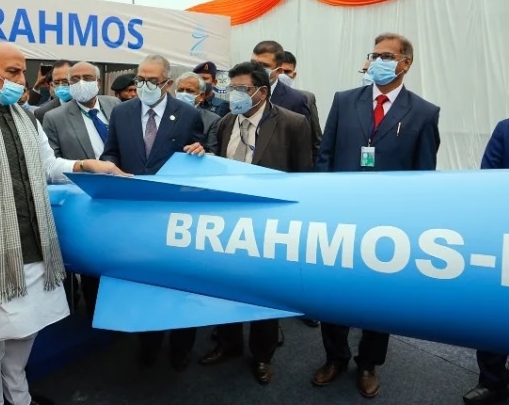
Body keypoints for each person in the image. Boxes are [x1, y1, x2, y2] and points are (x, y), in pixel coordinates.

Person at [0, 41, 125, 405]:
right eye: (13, 72)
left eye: (23, 72)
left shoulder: (25, 117)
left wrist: (85, 165)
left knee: (25, 335)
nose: (22, 81)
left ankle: (19, 396)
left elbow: (48, 166)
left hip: (33, 246)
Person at [312, 33, 440, 398]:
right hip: (339, 219)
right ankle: (335, 357)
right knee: (333, 292)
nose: (377, 61)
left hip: (388, 225)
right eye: (374, 54)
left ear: (405, 63)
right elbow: (325, 155)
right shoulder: (344, 100)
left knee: (378, 297)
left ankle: (368, 363)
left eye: (386, 56)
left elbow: (423, 176)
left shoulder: (424, 112)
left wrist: (412, 225)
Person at [200, 61, 311, 385]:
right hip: (228, 224)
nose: (235, 95)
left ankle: (262, 356)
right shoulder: (226, 122)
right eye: (231, 88)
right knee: (226, 288)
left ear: (262, 91)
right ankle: (228, 344)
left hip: (269, 225)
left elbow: (303, 177)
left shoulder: (292, 123)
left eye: (242, 89)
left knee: (265, 293)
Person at [101, 54, 205, 370]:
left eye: (152, 81)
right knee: (144, 285)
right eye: (140, 79)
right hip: (136, 216)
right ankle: (148, 345)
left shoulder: (188, 114)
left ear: (167, 83)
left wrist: (201, 151)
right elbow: (111, 152)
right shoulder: (121, 113)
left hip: (176, 218)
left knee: (182, 285)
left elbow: (201, 157)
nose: (145, 85)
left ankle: (181, 349)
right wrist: (109, 168)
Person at [41, 61, 120, 318]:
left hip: (123, 197)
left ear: (98, 82)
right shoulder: (54, 117)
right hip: (88, 201)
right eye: (74, 79)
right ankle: (95, 315)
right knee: (93, 265)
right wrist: (86, 168)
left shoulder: (115, 106)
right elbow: (51, 165)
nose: (80, 83)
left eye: (86, 77)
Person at [462, 120, 509, 405]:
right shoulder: (505, 129)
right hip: (504, 234)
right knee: (497, 308)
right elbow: (488, 180)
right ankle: (492, 380)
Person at [278, 51, 323, 170]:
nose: (282, 75)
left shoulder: (306, 98)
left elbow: (315, 139)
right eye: (280, 71)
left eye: (287, 72)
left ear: (294, 74)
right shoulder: (261, 98)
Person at [174, 71, 220, 154]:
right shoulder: (165, 114)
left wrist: (199, 150)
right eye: (180, 90)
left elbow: (212, 153)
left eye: (189, 91)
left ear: (201, 96)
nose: (184, 94)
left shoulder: (212, 120)